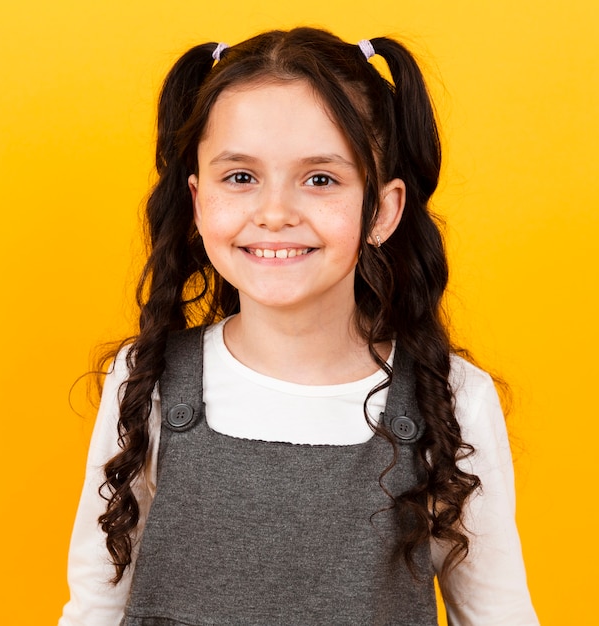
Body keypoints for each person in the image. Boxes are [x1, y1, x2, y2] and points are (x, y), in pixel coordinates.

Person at [59, 27, 539, 625]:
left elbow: (500, 614)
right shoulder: (147, 380)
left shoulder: (451, 398)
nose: (276, 213)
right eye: (240, 177)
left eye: (320, 179)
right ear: (198, 200)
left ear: (382, 211)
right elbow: (96, 604)